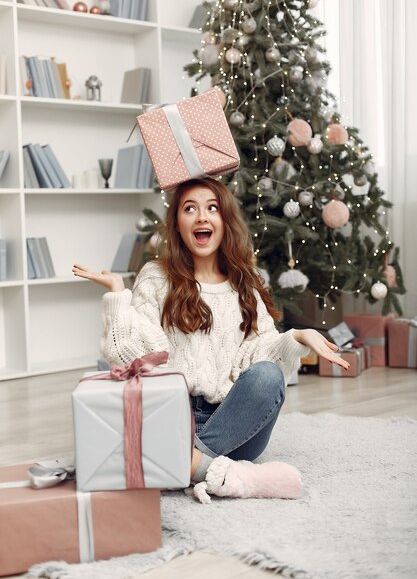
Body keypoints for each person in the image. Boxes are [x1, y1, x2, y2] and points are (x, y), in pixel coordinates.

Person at [73, 176, 349, 503]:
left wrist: (299, 336)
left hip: (235, 421)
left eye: (212, 208)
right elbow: (129, 359)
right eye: (190, 209)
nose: (202, 217)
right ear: (177, 223)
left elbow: (260, 354)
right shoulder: (156, 277)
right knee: (125, 422)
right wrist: (119, 295)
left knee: (268, 376)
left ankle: (182, 464)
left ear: (224, 221)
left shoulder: (245, 282)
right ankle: (219, 472)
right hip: (176, 416)